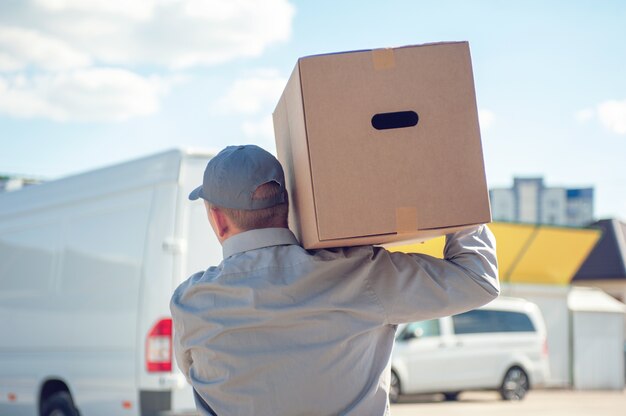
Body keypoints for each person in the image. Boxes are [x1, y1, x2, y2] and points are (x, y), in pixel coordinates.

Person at [170, 144, 499, 416]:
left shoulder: (190, 304)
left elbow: (197, 380)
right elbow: (478, 278)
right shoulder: (358, 272)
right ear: (287, 205)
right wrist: (455, 188)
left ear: (216, 217)